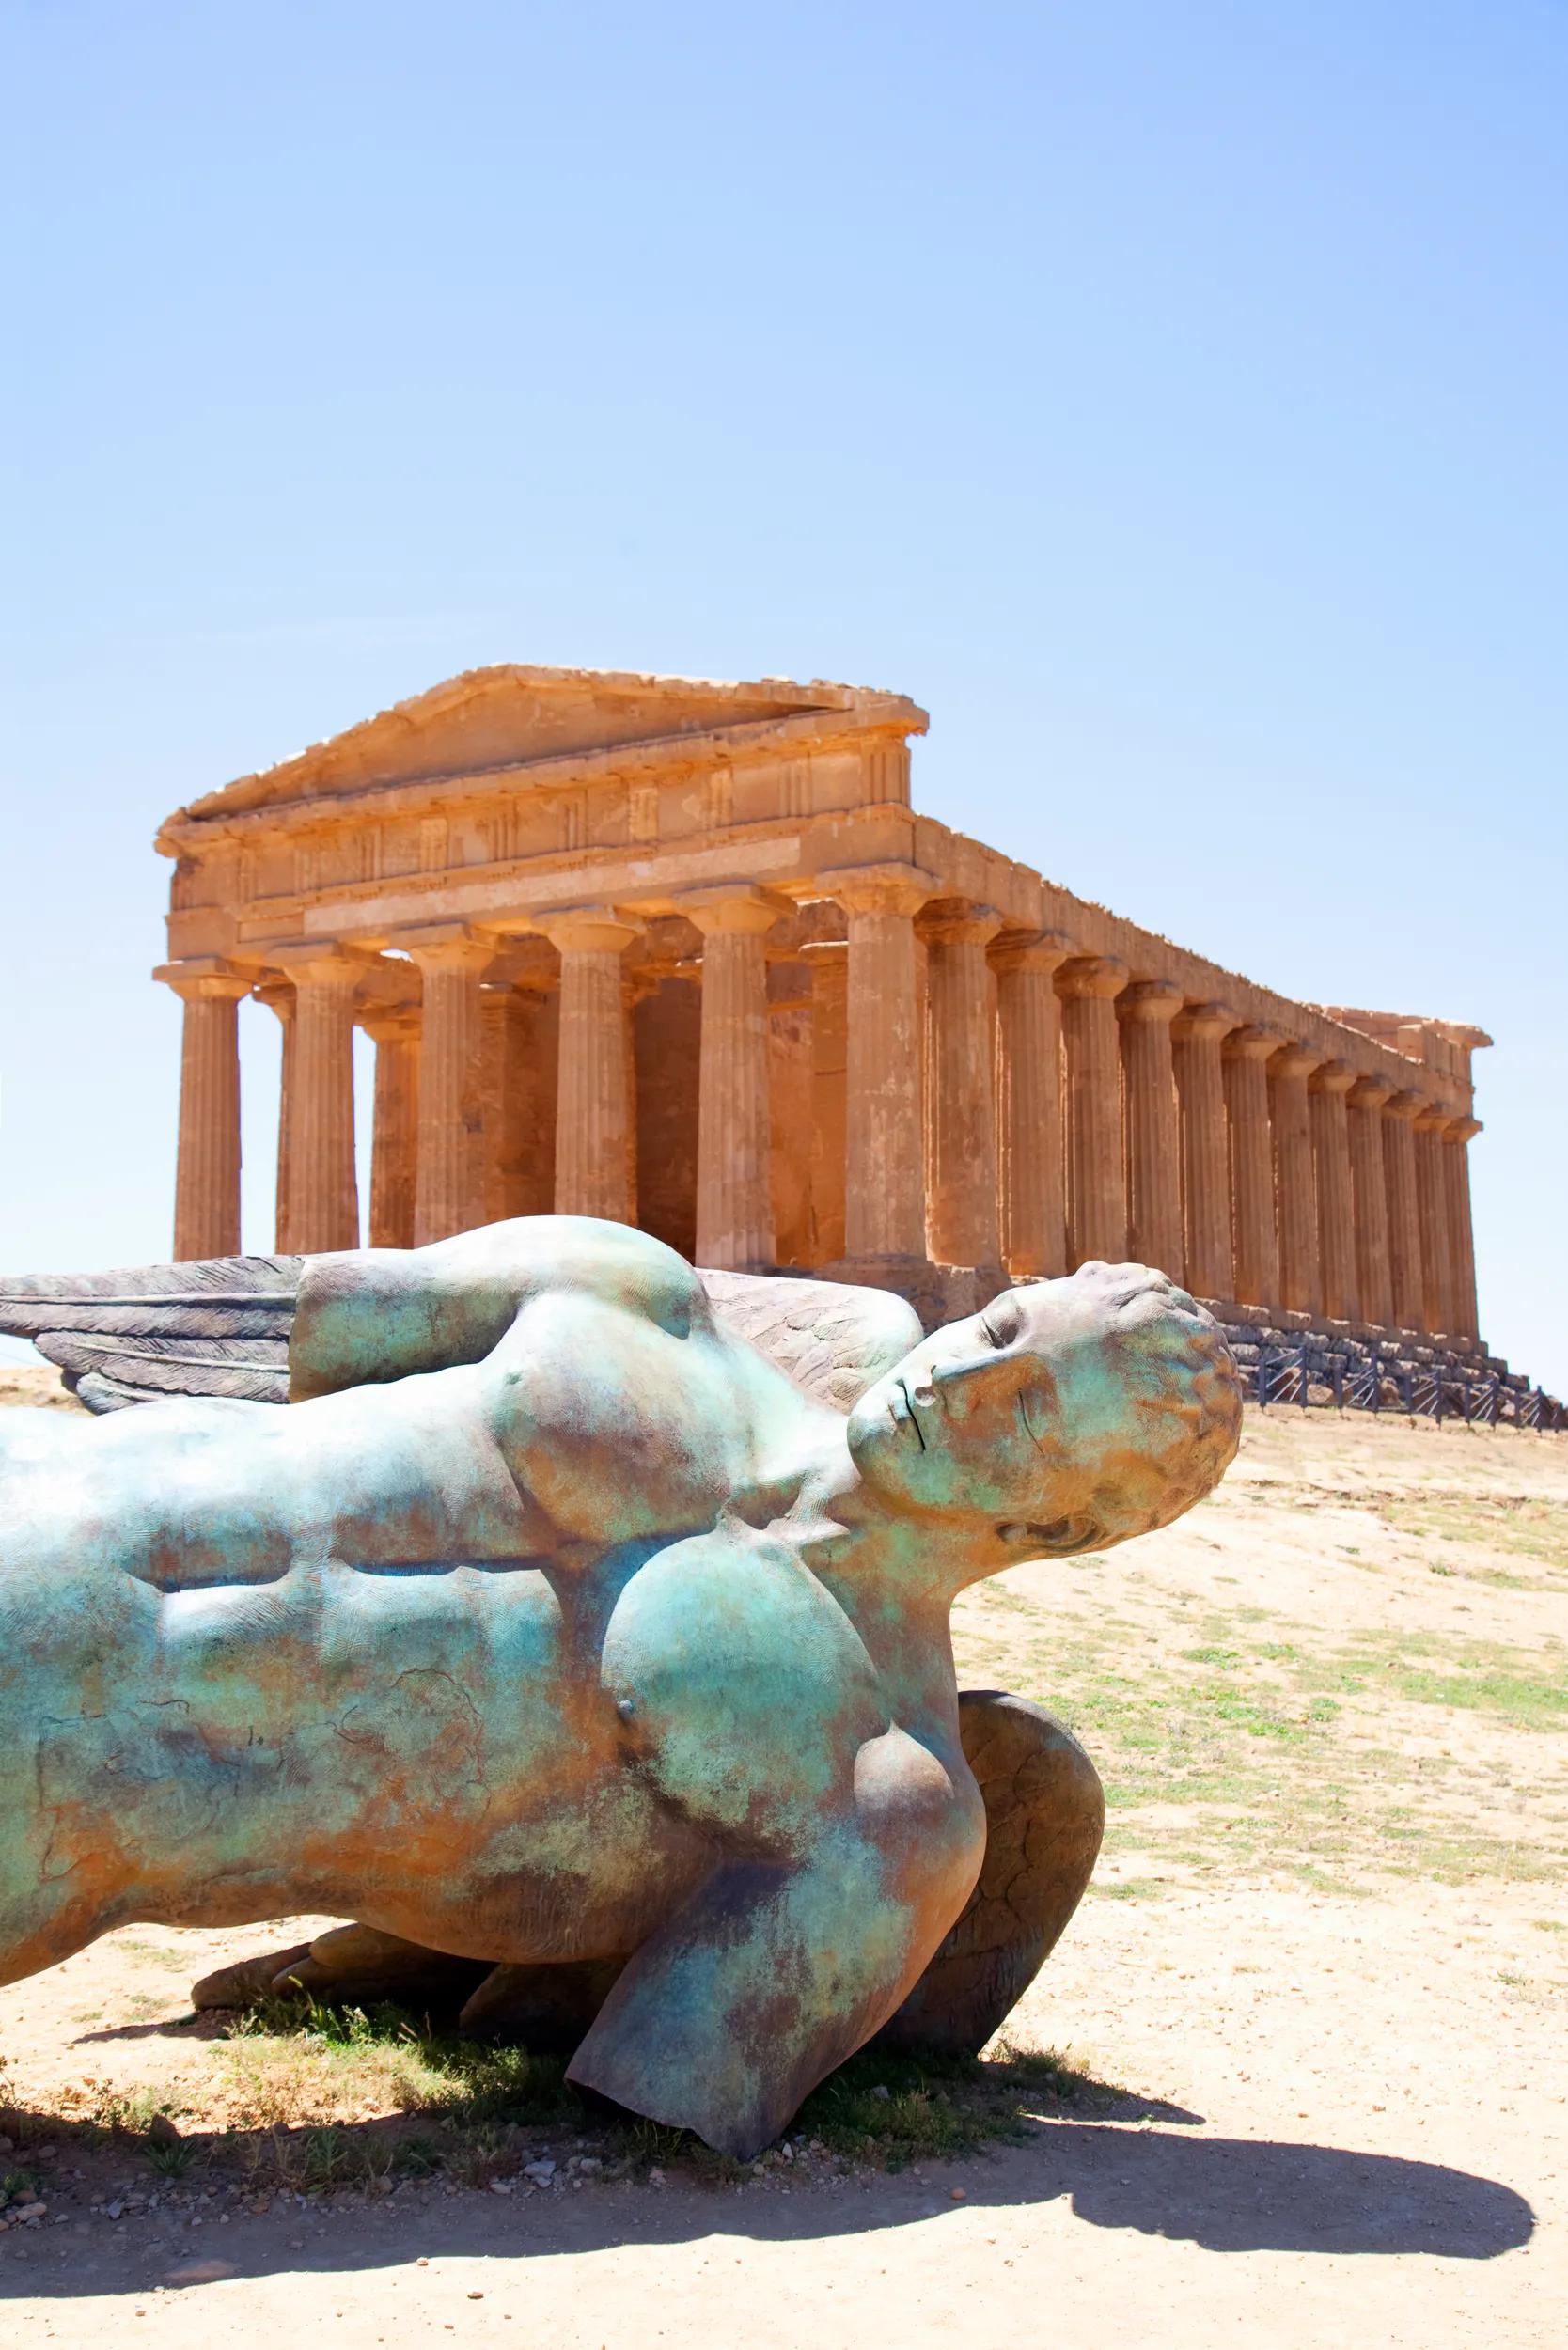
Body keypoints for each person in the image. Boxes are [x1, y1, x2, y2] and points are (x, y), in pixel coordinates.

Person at [0, 1217, 1238, 2155]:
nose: (959, 1382)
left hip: (50, 1821)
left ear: (1063, 1527)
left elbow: (670, 2081)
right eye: (1003, 1331)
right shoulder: (634, 1291)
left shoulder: (886, 1799)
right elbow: (293, 1332)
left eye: (1027, 1413)